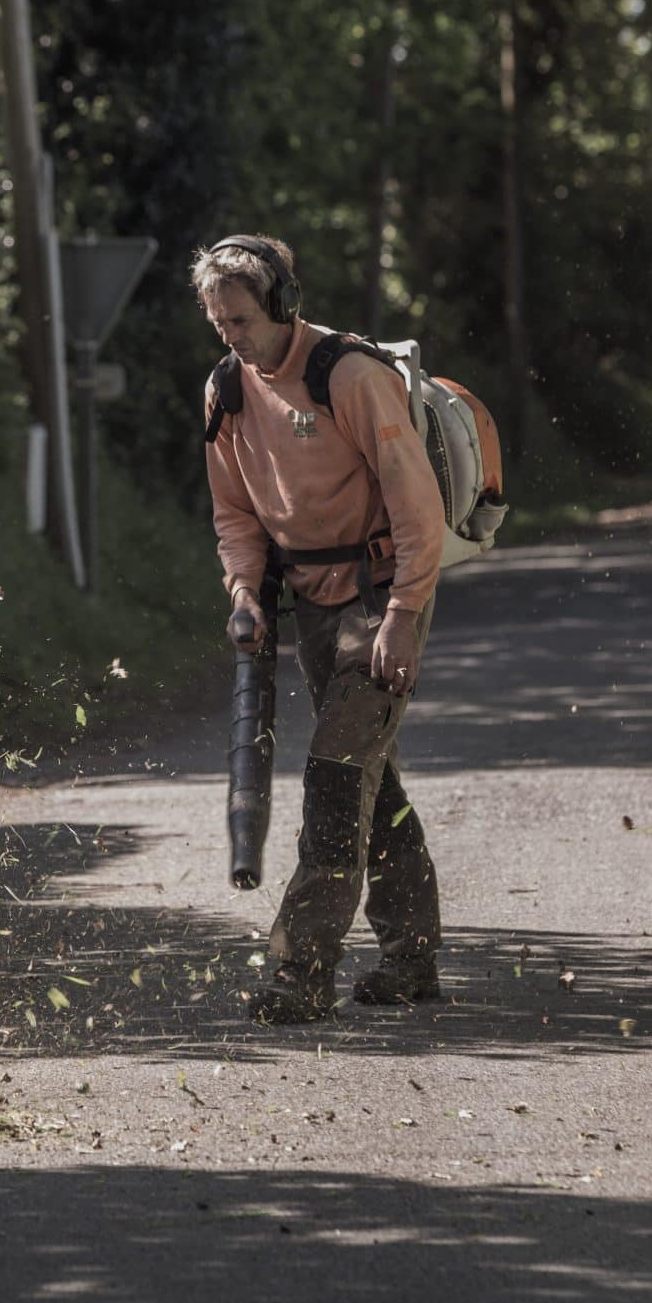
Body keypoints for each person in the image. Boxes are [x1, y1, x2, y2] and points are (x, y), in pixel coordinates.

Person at [193, 233, 448, 1024]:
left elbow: (417, 507)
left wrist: (403, 615)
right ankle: (411, 958)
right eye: (218, 323)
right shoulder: (227, 391)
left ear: (282, 302)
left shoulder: (349, 377)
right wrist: (245, 590)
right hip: (309, 602)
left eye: (241, 319)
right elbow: (235, 512)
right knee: (372, 777)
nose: (231, 336)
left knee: (336, 777)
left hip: (380, 594)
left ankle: (300, 969)